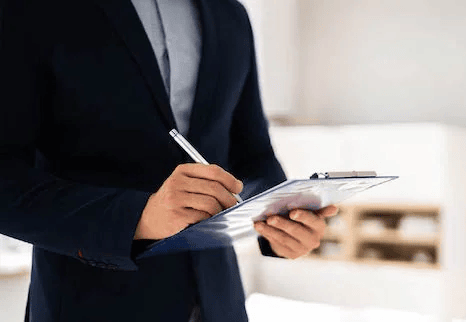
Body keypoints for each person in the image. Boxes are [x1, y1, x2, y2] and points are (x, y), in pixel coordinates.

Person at [0, 0, 337, 321]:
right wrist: (138, 217)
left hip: (221, 303)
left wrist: (283, 218)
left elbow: (253, 157)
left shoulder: (230, 15)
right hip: (89, 305)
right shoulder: (34, 8)